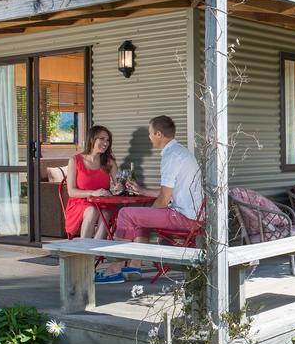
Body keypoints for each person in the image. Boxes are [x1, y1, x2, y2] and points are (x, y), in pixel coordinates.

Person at [108, 116, 204, 268]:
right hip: (193, 216)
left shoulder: (170, 156)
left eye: (150, 133)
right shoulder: (180, 152)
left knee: (125, 214)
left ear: (159, 134)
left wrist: (149, 213)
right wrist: (141, 190)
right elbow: (170, 192)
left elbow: (164, 200)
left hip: (185, 217)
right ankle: (134, 266)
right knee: (141, 216)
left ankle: (115, 268)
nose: (149, 137)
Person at [62, 126, 133, 284]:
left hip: (103, 203)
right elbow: (71, 191)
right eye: (102, 138)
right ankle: (82, 254)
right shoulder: (75, 160)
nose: (106, 143)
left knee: (105, 213)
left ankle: (87, 260)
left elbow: (119, 184)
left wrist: (118, 187)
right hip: (80, 202)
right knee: (94, 210)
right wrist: (92, 193)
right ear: (92, 139)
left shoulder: (108, 162)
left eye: (108, 140)